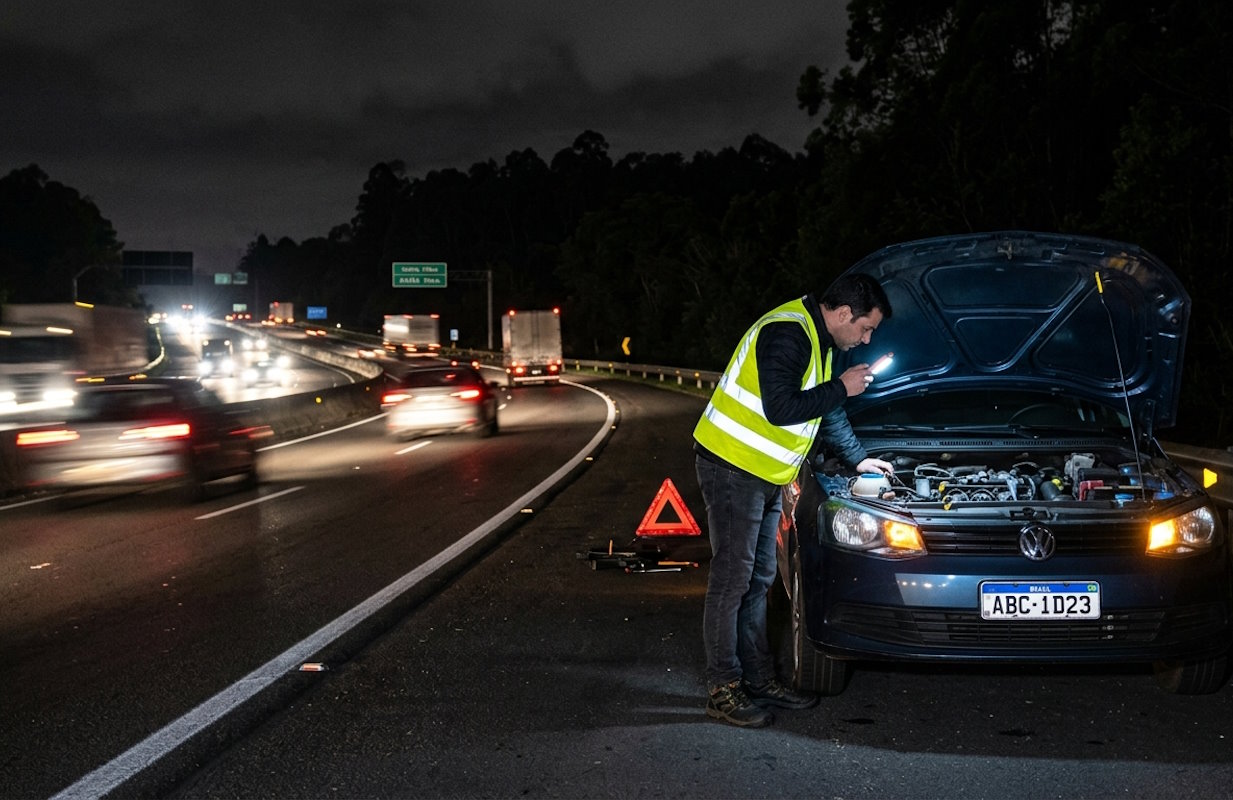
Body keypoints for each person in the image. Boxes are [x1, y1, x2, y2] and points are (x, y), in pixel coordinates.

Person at [692, 273, 894, 728]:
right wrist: (841, 386)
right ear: (844, 314)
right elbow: (780, 408)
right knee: (732, 581)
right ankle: (723, 688)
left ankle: (758, 679)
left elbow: (825, 409)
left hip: (765, 474)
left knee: (759, 580)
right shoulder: (788, 332)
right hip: (732, 468)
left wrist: (859, 459)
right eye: (866, 328)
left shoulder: (821, 342)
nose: (866, 339)